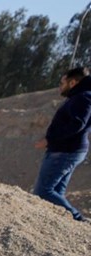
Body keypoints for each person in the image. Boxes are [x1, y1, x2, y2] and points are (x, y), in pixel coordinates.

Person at [34, 66, 91, 221]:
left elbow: (77, 124)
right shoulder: (79, 96)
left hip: (66, 151)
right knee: (56, 192)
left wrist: (49, 140)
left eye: (62, 82)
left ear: (72, 82)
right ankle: (63, 224)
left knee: (43, 191)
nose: (60, 86)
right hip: (66, 150)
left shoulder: (83, 98)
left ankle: (78, 220)